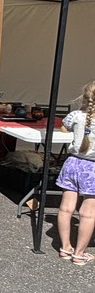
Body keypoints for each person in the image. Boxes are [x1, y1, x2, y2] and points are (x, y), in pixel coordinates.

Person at [56, 80, 95, 265]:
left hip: (72, 163)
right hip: (92, 168)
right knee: (88, 213)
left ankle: (65, 247)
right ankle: (79, 253)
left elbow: (63, 127)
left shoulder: (76, 115)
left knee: (66, 208)